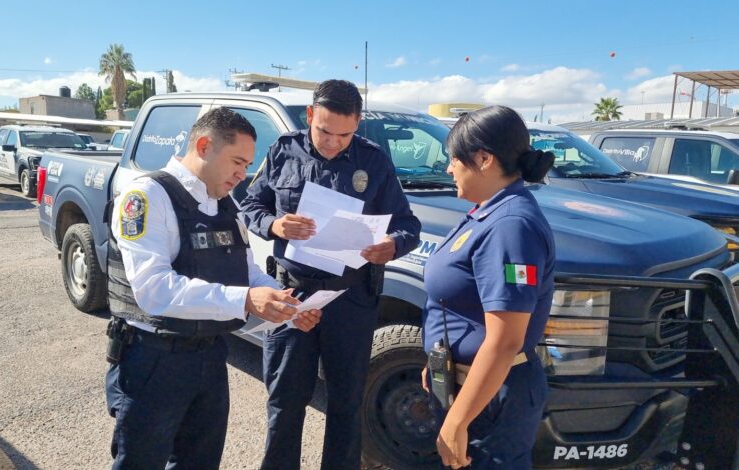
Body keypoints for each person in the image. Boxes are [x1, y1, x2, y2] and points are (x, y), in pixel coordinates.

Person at [104, 106, 322, 470]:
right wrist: (247, 300)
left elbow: (246, 271)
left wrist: (287, 304)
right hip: (154, 358)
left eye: (247, 164)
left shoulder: (226, 204)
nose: (243, 174)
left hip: (209, 355)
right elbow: (153, 290)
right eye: (237, 162)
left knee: (200, 462)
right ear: (204, 145)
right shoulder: (146, 197)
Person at [240, 79, 421, 470]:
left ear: (357, 124)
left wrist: (392, 244)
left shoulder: (372, 160)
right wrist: (275, 225)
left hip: (350, 301)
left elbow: (408, 225)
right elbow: (249, 205)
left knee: (346, 404)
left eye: (345, 134)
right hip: (292, 297)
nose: (334, 141)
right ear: (309, 116)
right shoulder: (283, 151)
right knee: (285, 402)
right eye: (325, 131)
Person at [421, 106, 556, 469]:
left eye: (454, 159)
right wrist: (441, 359)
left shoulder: (511, 226)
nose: (449, 168)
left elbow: (505, 340)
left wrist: (457, 421)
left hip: (493, 399)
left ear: (483, 158)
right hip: (469, 385)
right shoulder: (488, 212)